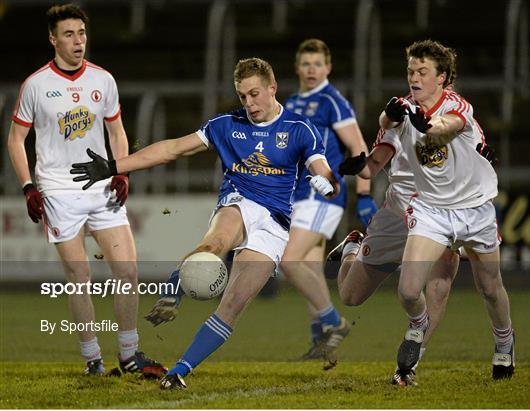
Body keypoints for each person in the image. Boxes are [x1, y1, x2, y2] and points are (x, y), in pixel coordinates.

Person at [69, 57, 346, 389]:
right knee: (216, 244)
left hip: (275, 224)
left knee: (233, 304)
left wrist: (326, 184)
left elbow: (326, 174)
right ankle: (175, 288)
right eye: (243, 96)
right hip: (239, 202)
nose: (250, 103)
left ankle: (179, 371)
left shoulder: (300, 130)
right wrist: (115, 166)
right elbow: (173, 149)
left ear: (272, 88)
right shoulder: (226, 125)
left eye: (255, 94)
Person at [341, 39, 515, 382]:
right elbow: (383, 137)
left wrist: (427, 126)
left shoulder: (458, 107)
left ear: (443, 77)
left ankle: (504, 342)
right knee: (400, 291)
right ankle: (414, 323)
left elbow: (446, 126)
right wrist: (358, 167)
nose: (414, 77)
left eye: (422, 72)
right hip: (429, 209)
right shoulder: (404, 109)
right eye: (410, 71)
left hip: (473, 209)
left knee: (489, 287)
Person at [7, 4, 166, 377]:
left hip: (100, 189)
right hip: (59, 193)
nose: (78, 41)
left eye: (81, 33)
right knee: (80, 278)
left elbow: (117, 131)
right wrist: (28, 185)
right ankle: (93, 360)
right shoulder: (36, 85)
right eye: (68, 34)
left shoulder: (102, 80)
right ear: (52, 39)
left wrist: (122, 172)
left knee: (127, 270)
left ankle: (129, 355)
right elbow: (16, 138)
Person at [279, 39, 376, 360]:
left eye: (317, 64)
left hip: (323, 196)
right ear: (297, 68)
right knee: (309, 267)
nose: (311, 70)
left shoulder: (332, 100)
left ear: (328, 68)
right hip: (297, 195)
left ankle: (335, 322)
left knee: (289, 260)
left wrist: (363, 194)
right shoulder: (291, 102)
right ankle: (321, 342)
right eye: (306, 64)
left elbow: (359, 148)